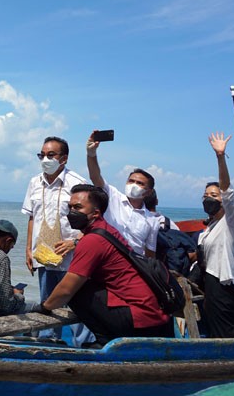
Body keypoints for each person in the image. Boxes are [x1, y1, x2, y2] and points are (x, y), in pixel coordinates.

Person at [38, 184, 172, 348]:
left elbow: (66, 289)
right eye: (70, 207)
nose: (71, 212)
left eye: (78, 207)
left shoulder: (92, 241)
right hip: (155, 314)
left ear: (96, 213)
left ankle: (105, 340)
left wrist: (44, 307)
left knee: (77, 291)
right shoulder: (108, 230)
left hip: (141, 319)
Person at [21, 136, 93, 345]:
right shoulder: (35, 183)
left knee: (77, 302)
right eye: (42, 155)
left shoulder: (77, 184)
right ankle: (48, 344)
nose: (45, 159)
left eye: (51, 155)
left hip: (71, 255)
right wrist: (28, 249)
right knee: (48, 302)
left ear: (64, 159)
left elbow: (91, 219)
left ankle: (85, 346)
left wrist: (75, 242)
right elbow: (32, 217)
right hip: (44, 254)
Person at [196, 133, 234, 338]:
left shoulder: (232, 222)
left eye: (213, 195)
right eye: (205, 195)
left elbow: (227, 191)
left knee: (224, 335)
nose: (208, 198)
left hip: (224, 285)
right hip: (210, 284)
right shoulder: (208, 229)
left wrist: (220, 157)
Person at [86, 131, 158, 257]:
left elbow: (150, 253)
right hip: (103, 259)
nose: (133, 185)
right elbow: (95, 176)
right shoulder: (113, 196)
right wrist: (91, 154)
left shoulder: (152, 221)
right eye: (131, 181)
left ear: (149, 191)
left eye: (140, 183)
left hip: (130, 267)